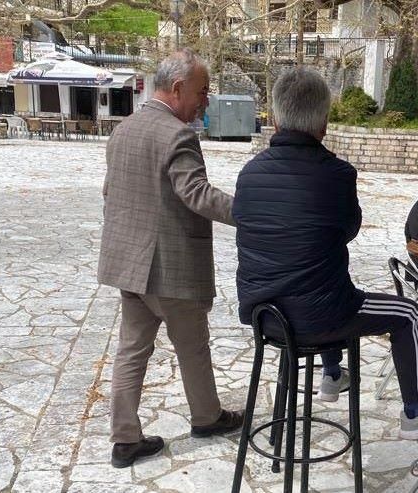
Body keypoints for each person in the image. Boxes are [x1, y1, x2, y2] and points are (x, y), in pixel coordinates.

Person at [233, 67, 418, 440]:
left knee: (319, 277)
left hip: (265, 315)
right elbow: (349, 230)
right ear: (324, 123)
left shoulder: (248, 173)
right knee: (405, 312)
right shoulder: (337, 174)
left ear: (274, 119)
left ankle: (332, 373)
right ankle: (417, 413)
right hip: (319, 316)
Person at [98, 49, 244, 468]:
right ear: (178, 88)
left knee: (131, 351)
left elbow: (110, 193)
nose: (206, 101)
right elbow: (196, 193)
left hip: (130, 267)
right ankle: (207, 418)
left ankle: (125, 440)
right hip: (171, 268)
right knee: (193, 348)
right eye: (203, 91)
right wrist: (251, 210)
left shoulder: (123, 130)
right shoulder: (179, 136)